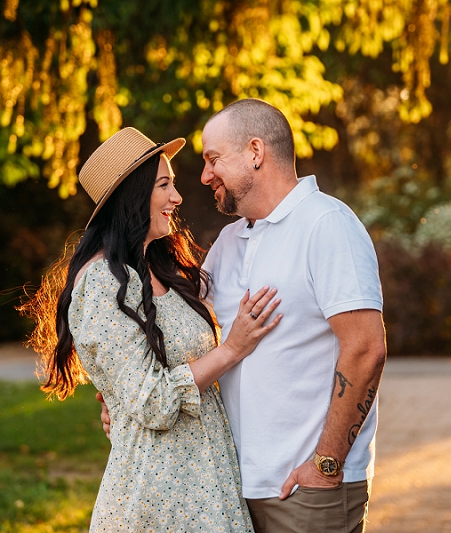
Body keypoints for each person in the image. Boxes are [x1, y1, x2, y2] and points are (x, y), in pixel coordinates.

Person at [20, 126, 283, 533]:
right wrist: (232, 349)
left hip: (209, 488)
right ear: (133, 194)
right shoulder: (102, 283)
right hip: (157, 501)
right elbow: (152, 401)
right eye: (165, 185)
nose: (177, 198)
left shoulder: (162, 269)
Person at [198, 99, 387, 532]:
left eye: (213, 159)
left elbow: (366, 350)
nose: (205, 176)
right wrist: (128, 393)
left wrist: (326, 465)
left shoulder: (327, 224)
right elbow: (178, 323)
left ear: (255, 152)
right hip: (235, 489)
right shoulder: (229, 240)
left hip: (308, 490)